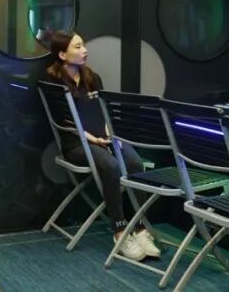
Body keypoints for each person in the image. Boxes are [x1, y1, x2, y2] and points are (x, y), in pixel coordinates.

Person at [47, 30, 161, 261]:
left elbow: (103, 112)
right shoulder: (53, 82)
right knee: (111, 166)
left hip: (103, 137)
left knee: (135, 162)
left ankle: (138, 227)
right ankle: (119, 231)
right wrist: (93, 139)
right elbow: (65, 122)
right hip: (76, 144)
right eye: (77, 47)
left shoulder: (92, 78)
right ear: (62, 54)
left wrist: (109, 135)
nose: (84, 50)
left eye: (83, 45)